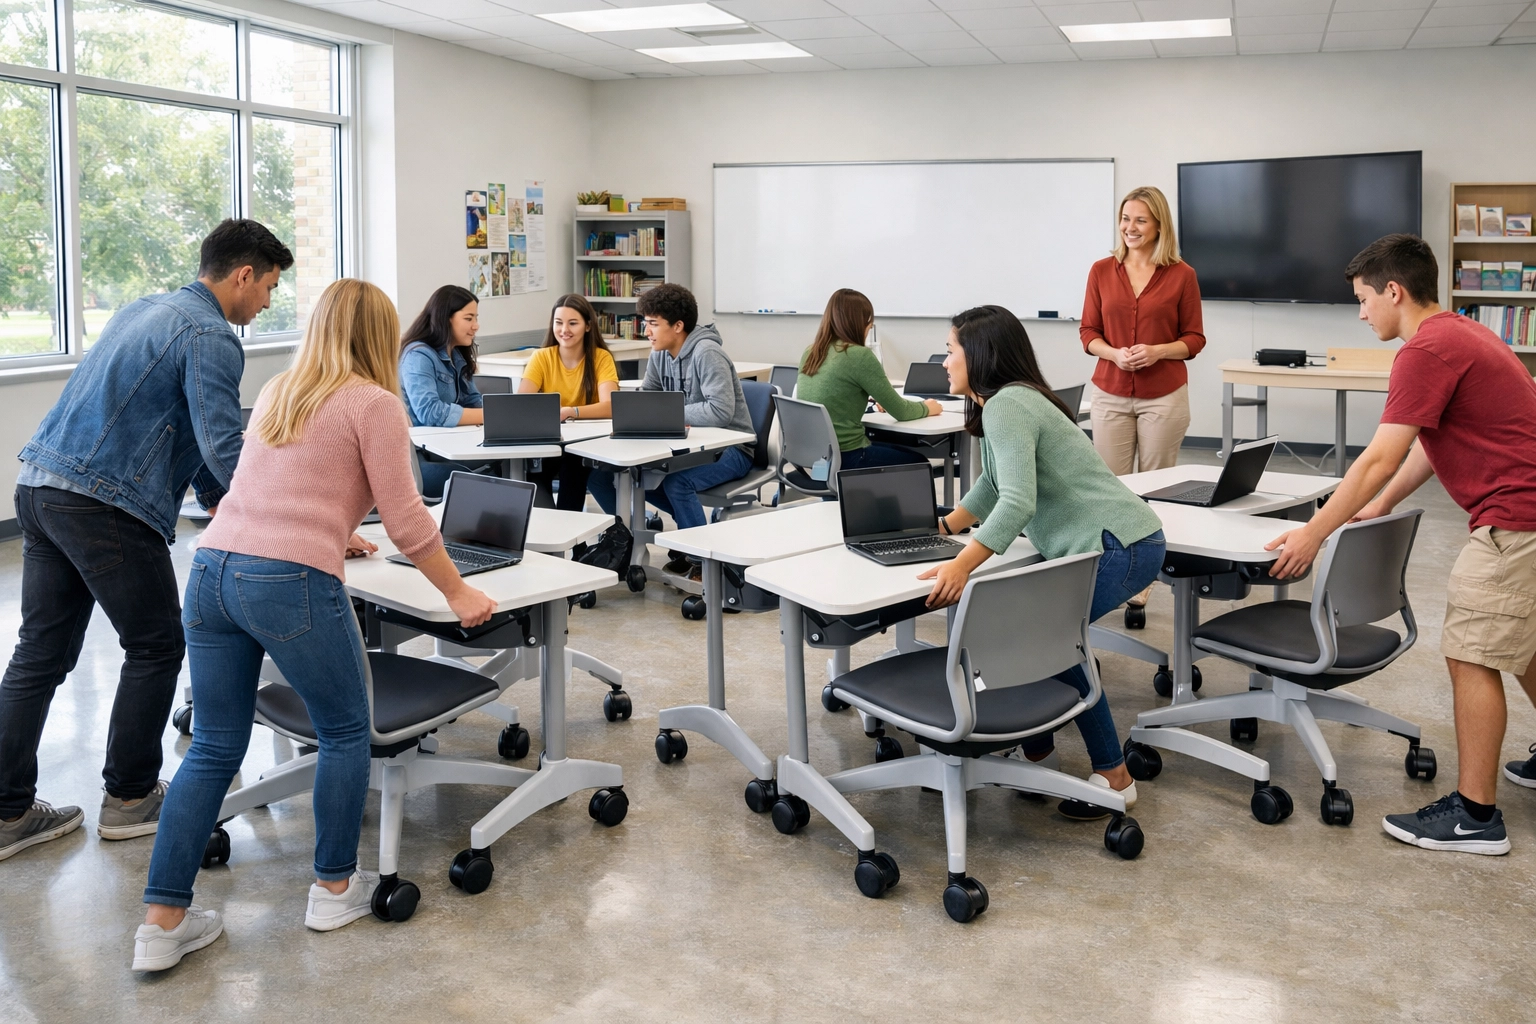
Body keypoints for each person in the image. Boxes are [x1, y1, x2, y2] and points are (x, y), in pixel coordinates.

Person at [133, 279, 496, 972]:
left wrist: (335, 528)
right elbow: (407, 520)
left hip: (212, 570)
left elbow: (279, 484)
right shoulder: (375, 403)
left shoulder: (281, 390)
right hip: (288, 581)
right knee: (345, 731)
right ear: (379, 335)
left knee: (212, 746)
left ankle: (160, 925)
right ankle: (333, 889)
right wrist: (458, 594)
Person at [0, 220, 292, 864]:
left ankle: (7, 811)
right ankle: (131, 797)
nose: (268, 302)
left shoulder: (145, 309)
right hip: (104, 503)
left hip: (40, 487)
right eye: (270, 287)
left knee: (40, 653)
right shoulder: (211, 335)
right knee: (157, 644)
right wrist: (292, 513)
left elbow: (180, 428)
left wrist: (219, 503)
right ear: (244, 275)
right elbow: (223, 443)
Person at [1265, 234, 1536, 857]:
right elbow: (1428, 445)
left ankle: (1475, 816)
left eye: (1364, 300)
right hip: (1530, 513)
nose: (1362, 314)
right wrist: (1382, 504)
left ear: (1393, 291)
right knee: (1523, 640)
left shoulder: (1425, 350)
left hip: (1515, 518)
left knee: (1472, 655)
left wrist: (1314, 531)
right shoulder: (1463, 333)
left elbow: (1379, 457)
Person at [918, 305, 1166, 819]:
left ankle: (1114, 778)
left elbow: (1016, 503)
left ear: (979, 355)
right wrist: (944, 528)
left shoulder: (1008, 405)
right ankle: (1038, 758)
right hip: (1126, 539)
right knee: (1040, 639)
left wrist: (962, 565)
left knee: (1051, 643)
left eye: (950, 350)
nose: (944, 362)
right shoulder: (1009, 401)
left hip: (1119, 545)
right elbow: (993, 486)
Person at [1080, 185, 1205, 619]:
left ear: (1158, 226)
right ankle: (1111, 570)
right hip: (1110, 392)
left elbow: (1194, 339)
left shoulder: (1182, 275)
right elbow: (1088, 332)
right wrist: (1113, 353)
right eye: (1125, 218)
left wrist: (1158, 351)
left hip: (1163, 396)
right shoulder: (1101, 270)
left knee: (1155, 488)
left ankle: (1144, 579)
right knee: (1110, 488)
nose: (1130, 227)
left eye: (1140, 220)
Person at [589, 283, 755, 578]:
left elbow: (720, 411)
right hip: (689, 447)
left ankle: (704, 562)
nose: (647, 331)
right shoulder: (660, 354)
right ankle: (683, 538)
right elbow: (648, 398)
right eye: (646, 323)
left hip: (732, 450)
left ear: (678, 326)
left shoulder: (707, 353)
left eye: (653, 324)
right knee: (623, 475)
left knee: (677, 484)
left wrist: (667, 415)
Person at [795, 288, 941, 472]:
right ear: (858, 323)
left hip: (814, 457)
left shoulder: (811, 351)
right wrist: (928, 407)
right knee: (920, 463)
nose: (869, 327)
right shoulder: (858, 355)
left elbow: (832, 395)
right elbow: (901, 411)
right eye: (868, 322)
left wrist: (870, 398)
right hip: (846, 456)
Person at [518, 294, 619, 510]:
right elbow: (521, 403)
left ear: (588, 326)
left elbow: (611, 406)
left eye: (573, 323)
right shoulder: (541, 357)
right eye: (559, 323)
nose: (564, 330)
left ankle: (570, 527)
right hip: (550, 440)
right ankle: (547, 524)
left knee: (573, 465)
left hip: (586, 443)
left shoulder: (601, 358)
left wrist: (571, 411)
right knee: (533, 468)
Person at [399, 285, 488, 497]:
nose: (476, 326)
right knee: (486, 481)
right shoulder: (418, 356)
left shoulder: (457, 355)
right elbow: (430, 412)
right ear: (446, 319)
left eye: (476, 318)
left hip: (450, 447)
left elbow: (474, 401)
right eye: (469, 318)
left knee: (511, 465)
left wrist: (503, 416)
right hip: (421, 458)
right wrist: (491, 415)